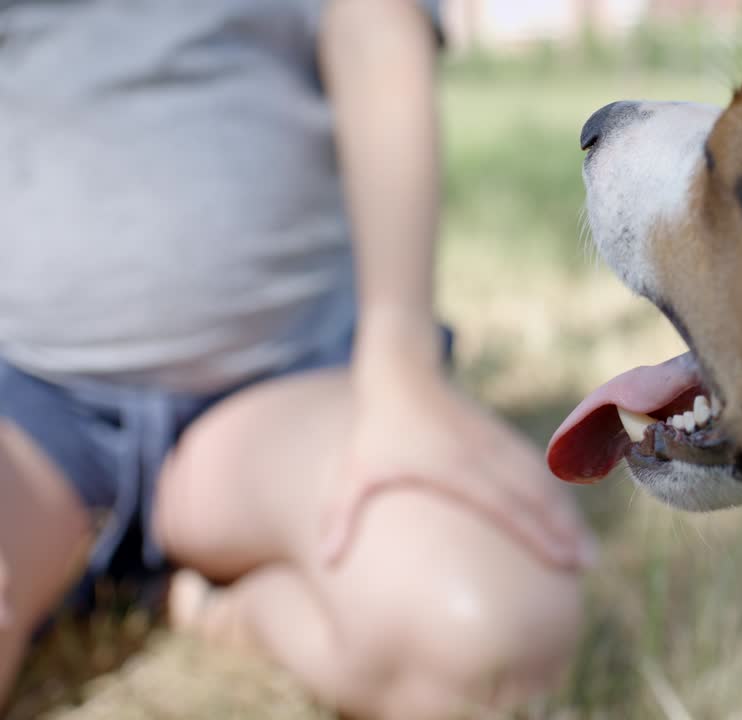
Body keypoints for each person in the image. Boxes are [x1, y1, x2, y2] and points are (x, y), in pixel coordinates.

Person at [0, 0, 594, 717]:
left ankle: (218, 611)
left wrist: (400, 369)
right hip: (29, 408)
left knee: (494, 633)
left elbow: (375, 30)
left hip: (282, 386)